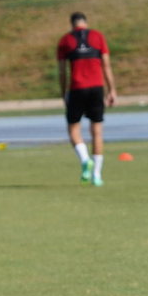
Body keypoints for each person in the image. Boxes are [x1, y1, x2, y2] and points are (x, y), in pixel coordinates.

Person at [57, 11, 117, 186]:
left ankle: (85, 160)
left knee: (73, 130)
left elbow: (62, 70)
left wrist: (64, 93)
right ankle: (97, 176)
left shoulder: (65, 40)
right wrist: (111, 89)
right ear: (86, 22)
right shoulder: (98, 36)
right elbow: (106, 64)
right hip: (97, 88)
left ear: (72, 24)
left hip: (77, 88)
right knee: (97, 132)